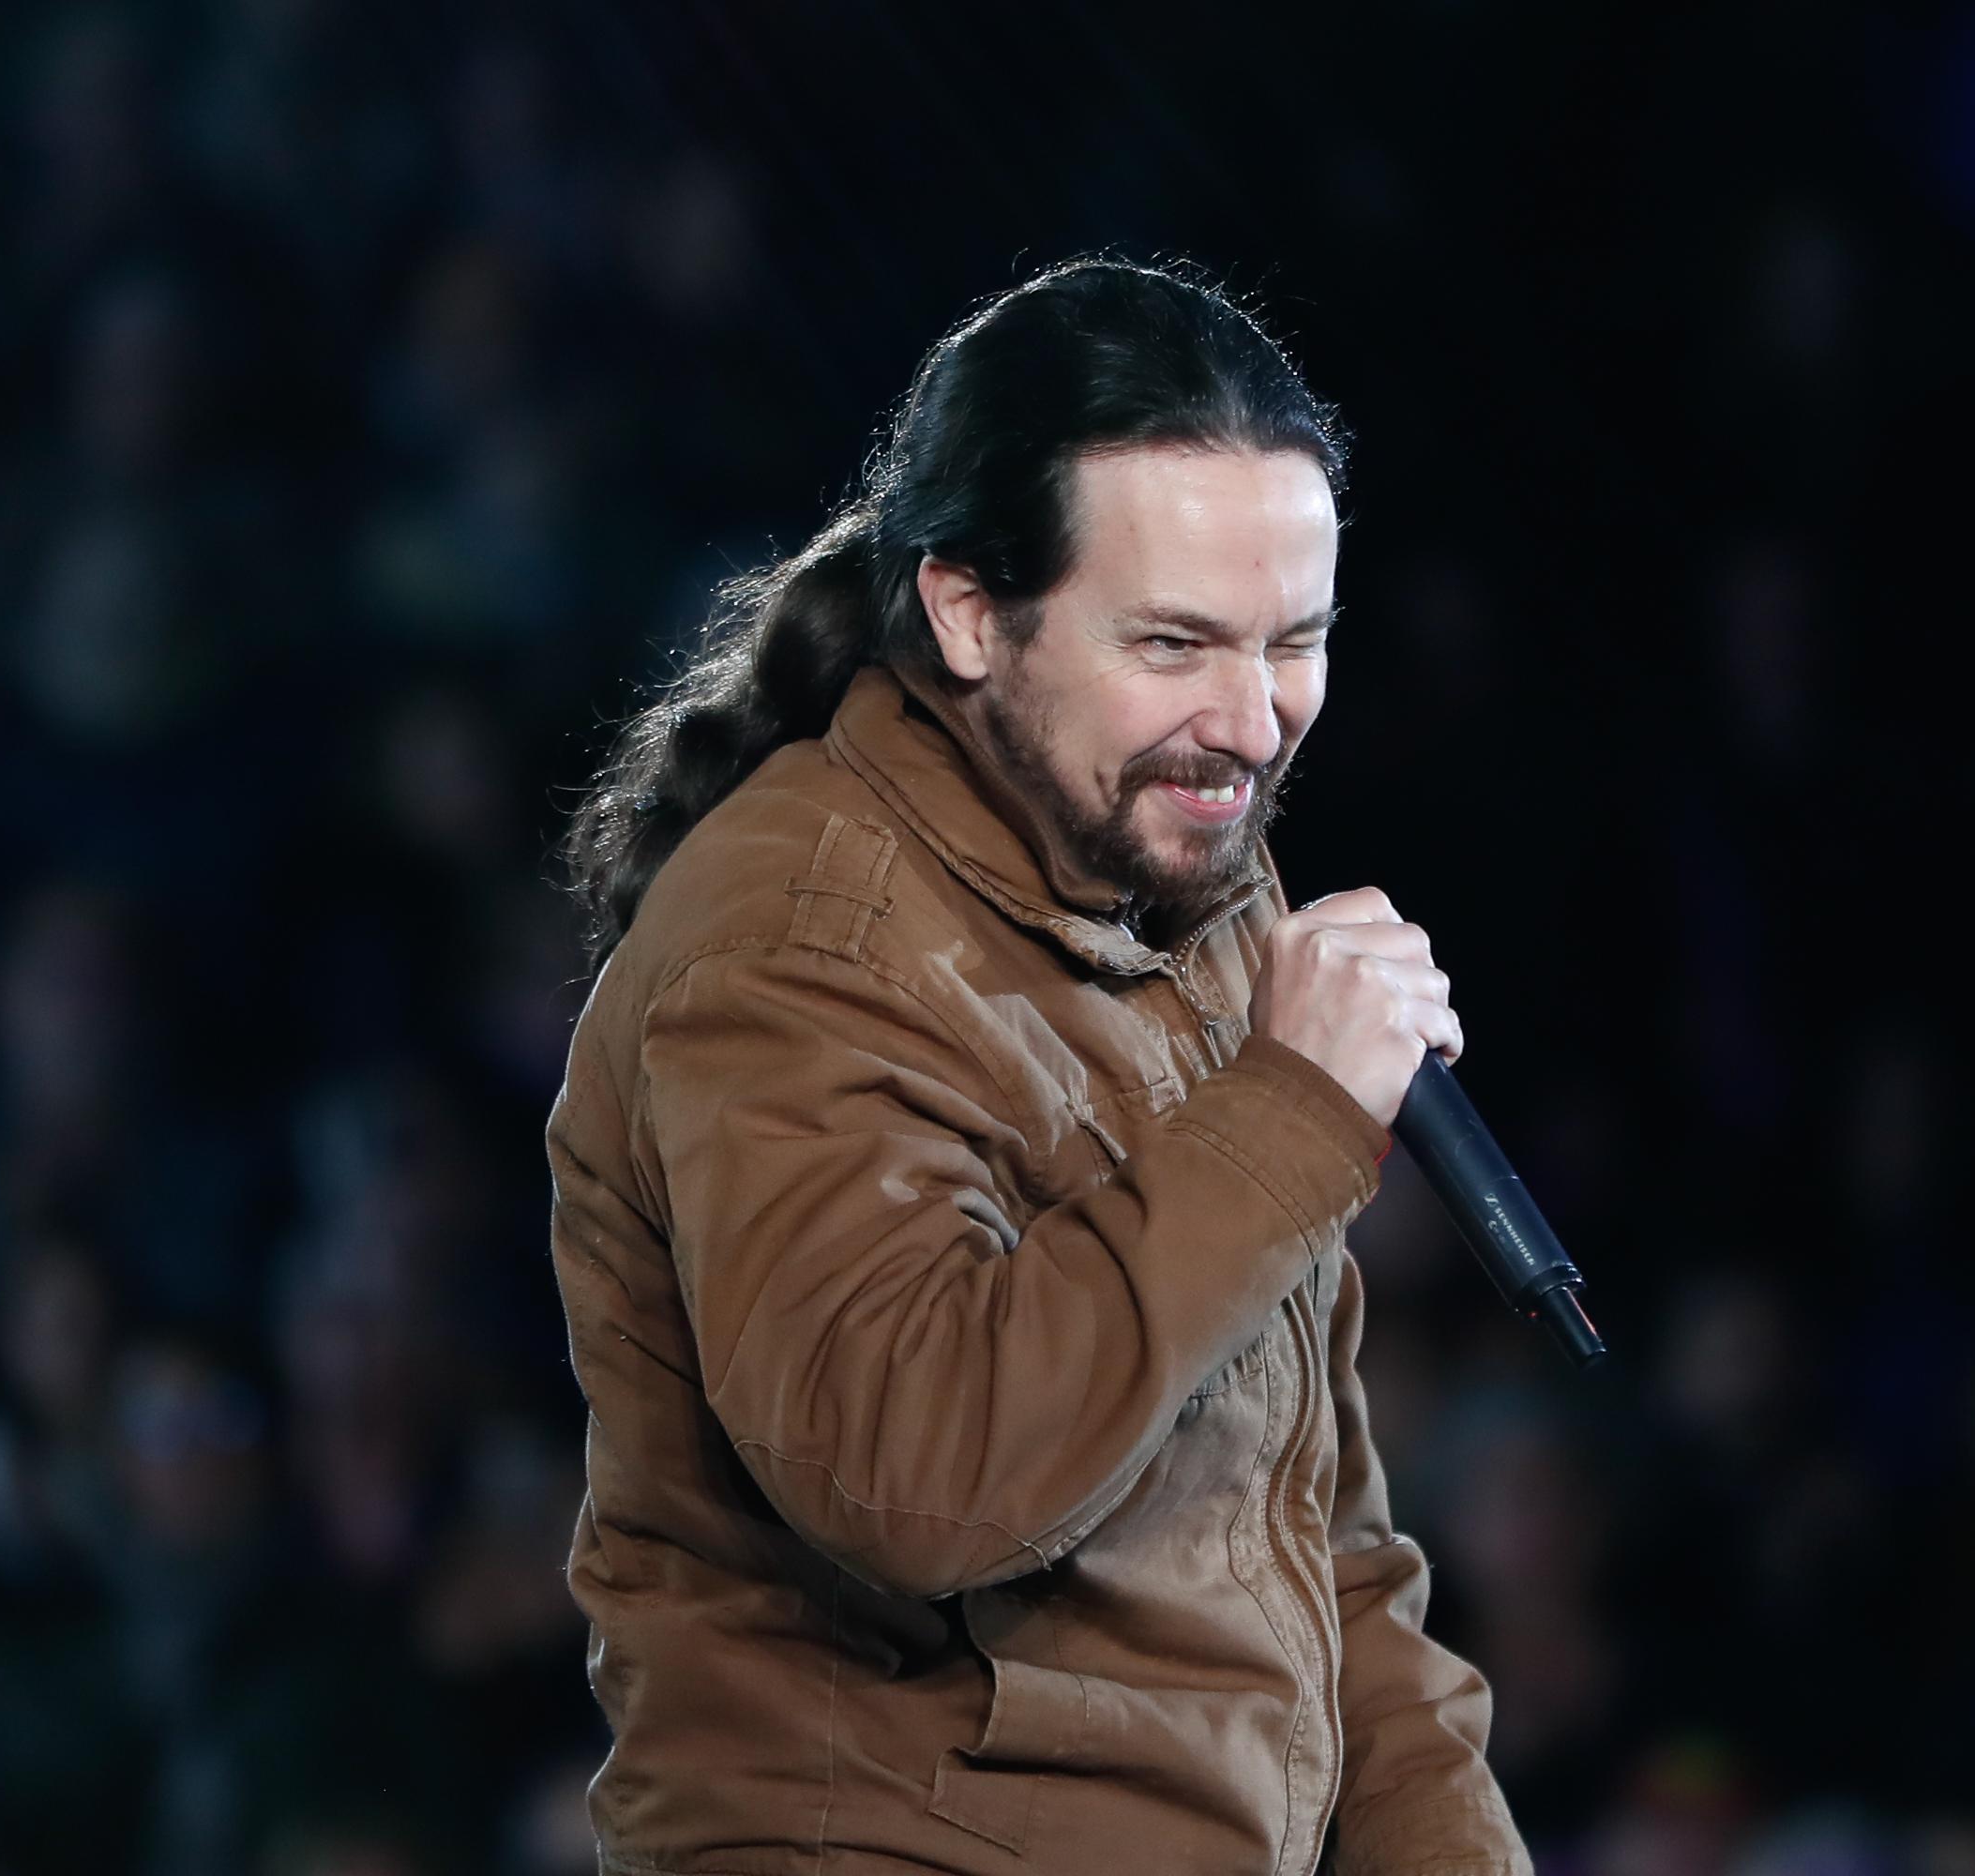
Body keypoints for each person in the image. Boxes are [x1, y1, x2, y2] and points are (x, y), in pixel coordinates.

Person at [547, 257, 1529, 1875]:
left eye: (1298, 640)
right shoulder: (800, 946)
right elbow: (914, 1480)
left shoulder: (1178, 871)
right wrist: (1287, 1118)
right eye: (1174, 644)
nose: (1254, 720)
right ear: (968, 613)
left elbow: (1319, 1537)